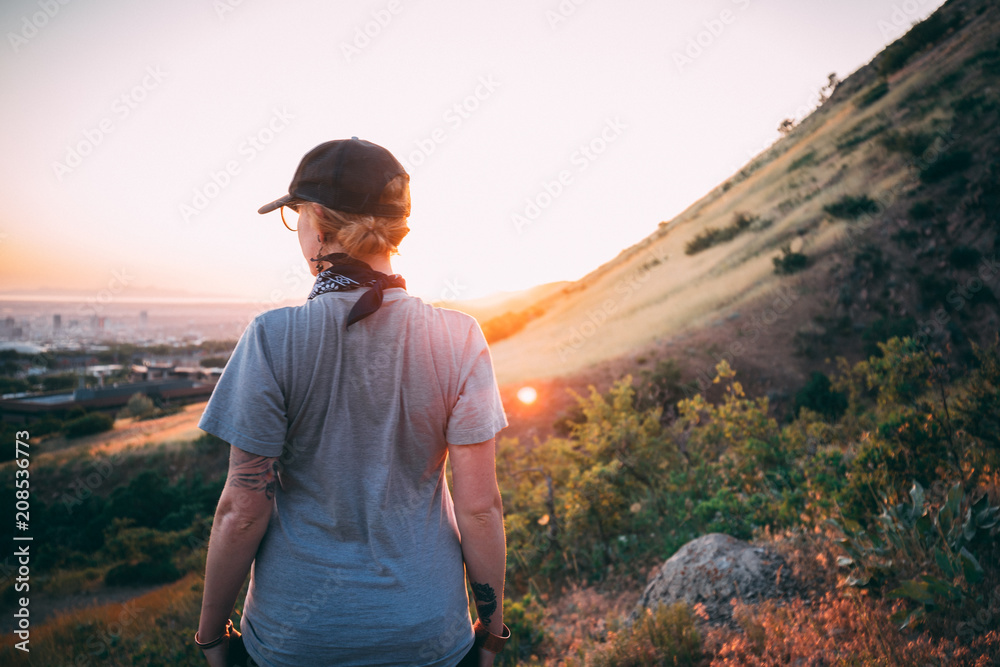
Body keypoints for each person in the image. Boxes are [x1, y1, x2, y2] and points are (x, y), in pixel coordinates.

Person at [194, 137, 510, 666]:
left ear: (317, 221)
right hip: (428, 635)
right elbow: (480, 509)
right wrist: (492, 634)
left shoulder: (273, 338)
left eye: (295, 216)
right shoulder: (459, 337)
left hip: (297, 638)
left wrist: (210, 637)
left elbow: (241, 510)